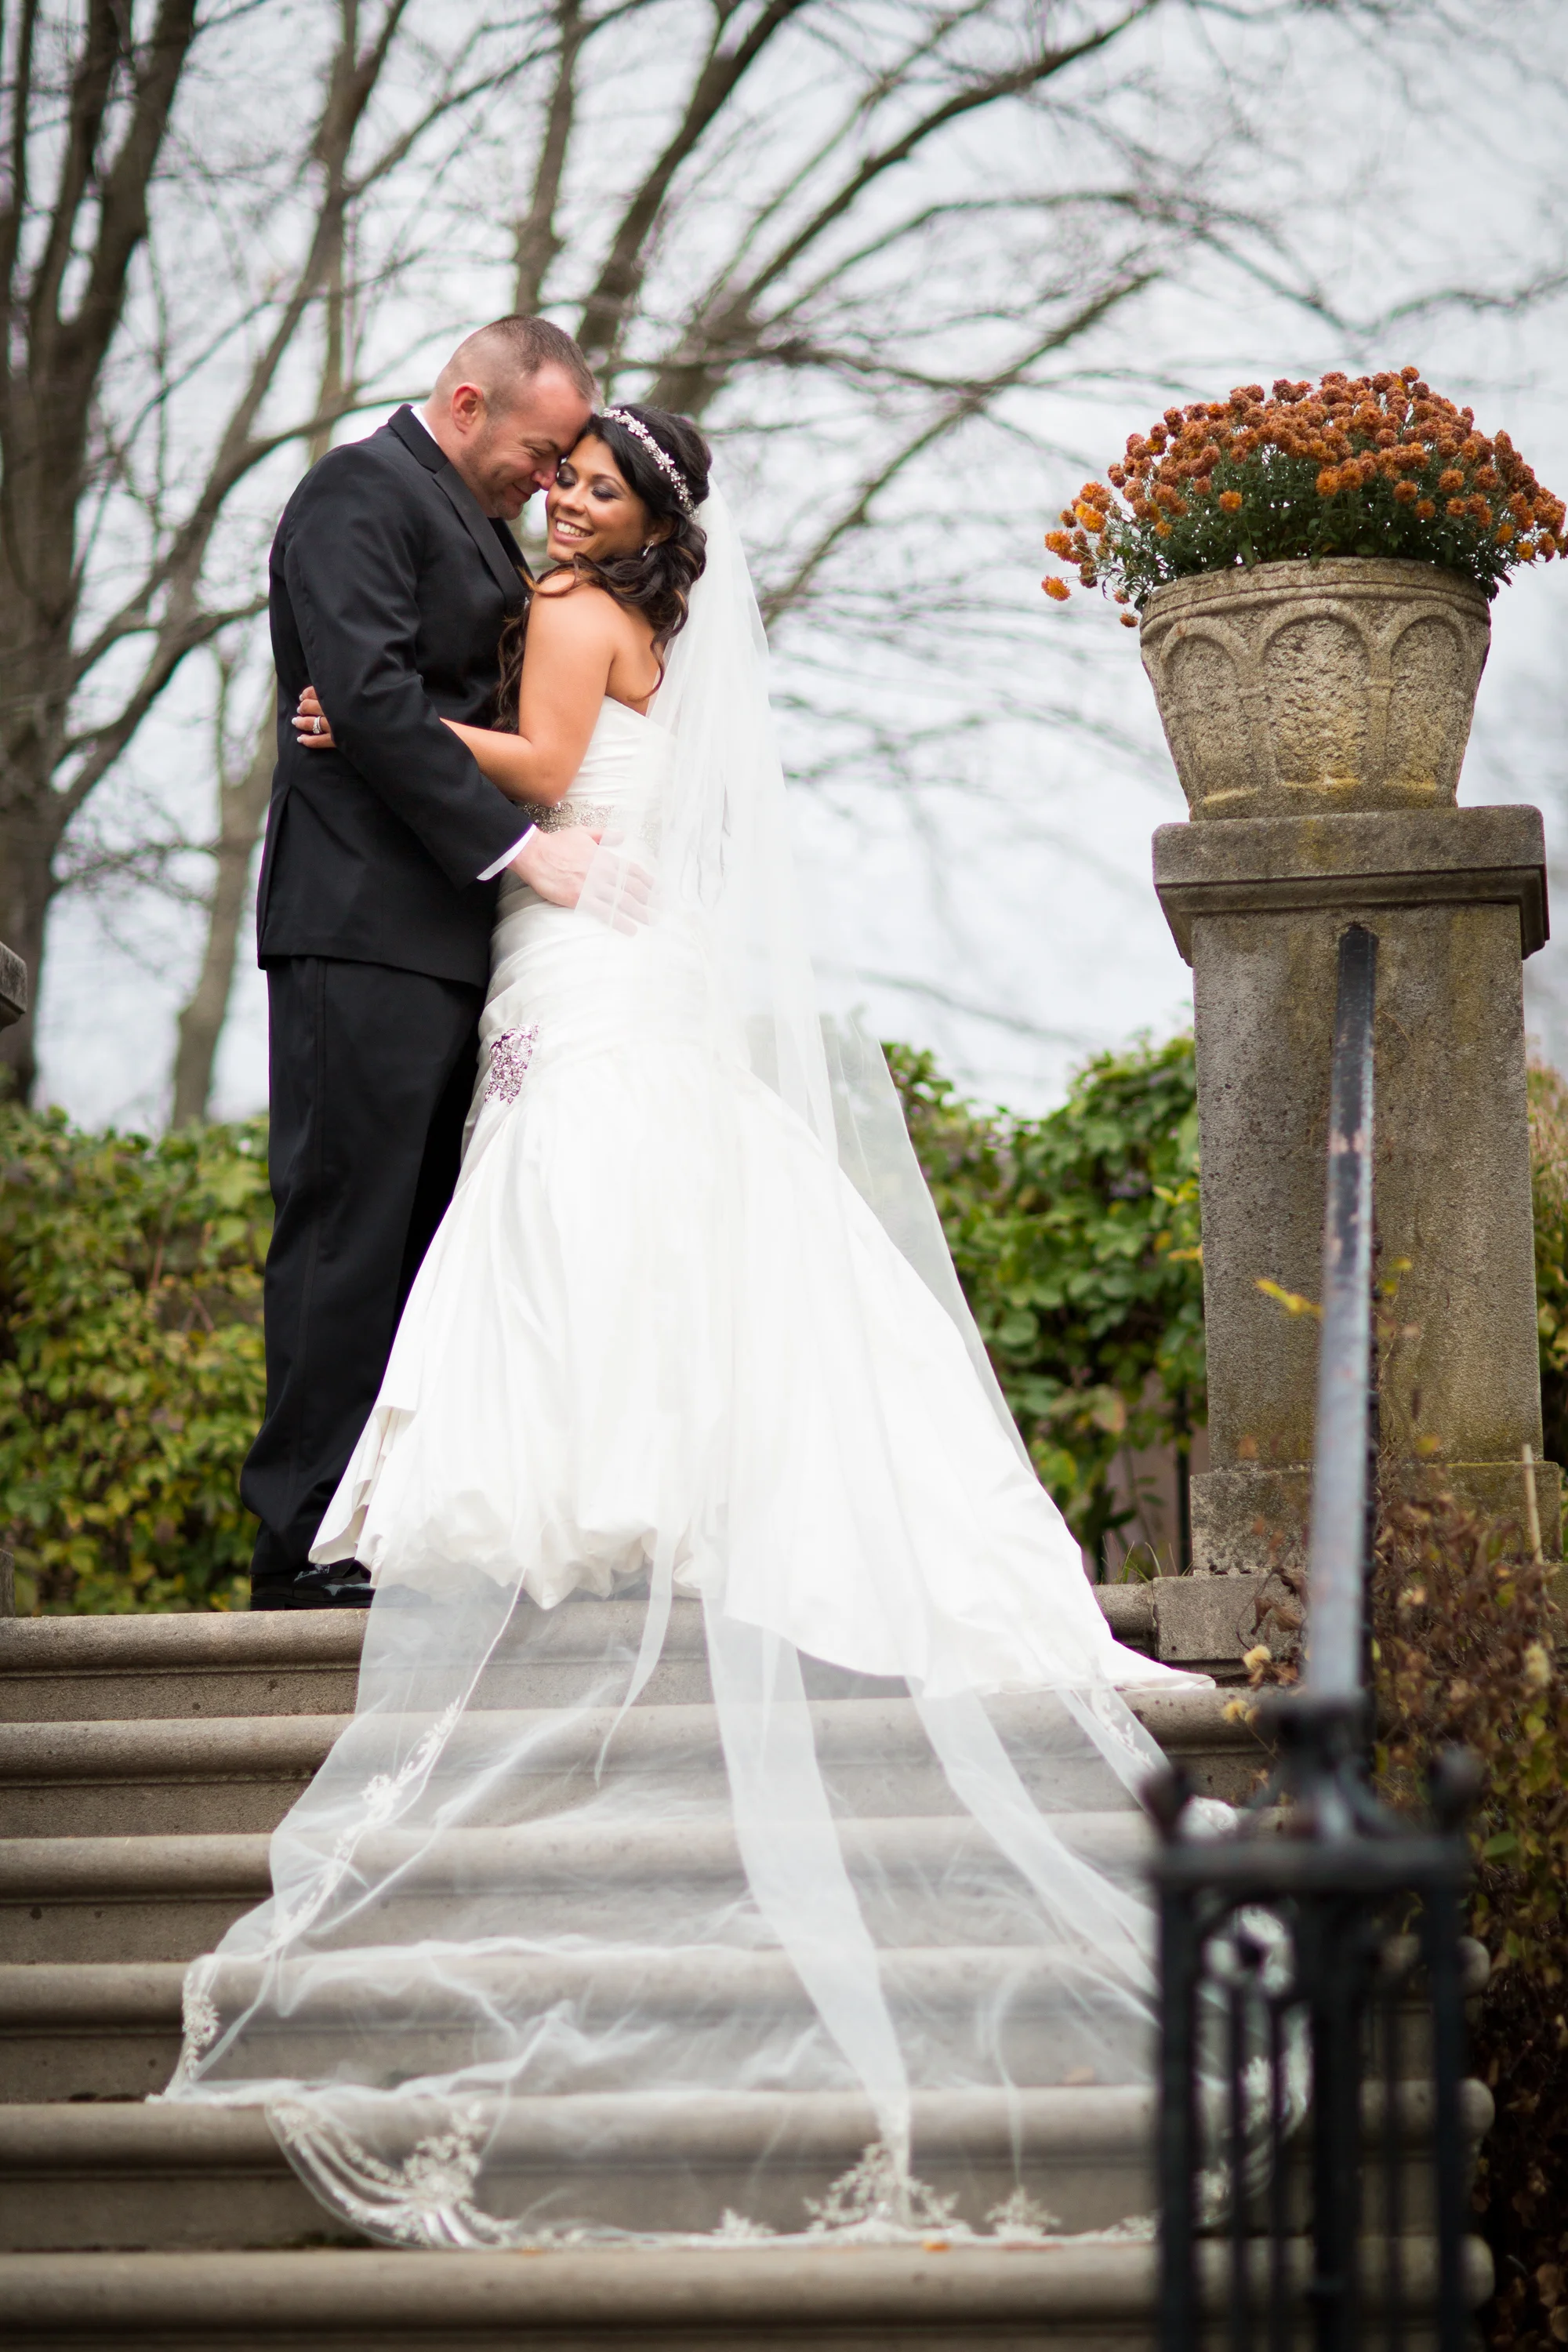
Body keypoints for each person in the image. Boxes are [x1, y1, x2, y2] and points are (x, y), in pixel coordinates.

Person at [165, 407, 1215, 2247]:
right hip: (602, 952)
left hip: (583, 950)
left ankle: (616, 1482)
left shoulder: (573, 624)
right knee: (650, 1209)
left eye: (592, 487)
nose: (561, 500)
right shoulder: (622, 614)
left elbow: (547, 760)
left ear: (638, 520)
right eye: (560, 477)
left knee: (589, 1199)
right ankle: (657, 1466)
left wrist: (378, 725)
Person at [245, 317, 602, 1610]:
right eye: (540, 449)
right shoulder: (357, 492)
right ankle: (297, 1547)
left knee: (419, 1247)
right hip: (360, 928)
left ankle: (381, 1526)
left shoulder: (474, 525)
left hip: (451, 946)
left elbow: (421, 706)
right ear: (467, 403)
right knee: (345, 1233)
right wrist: (519, 851)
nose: (550, 481)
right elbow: (372, 697)